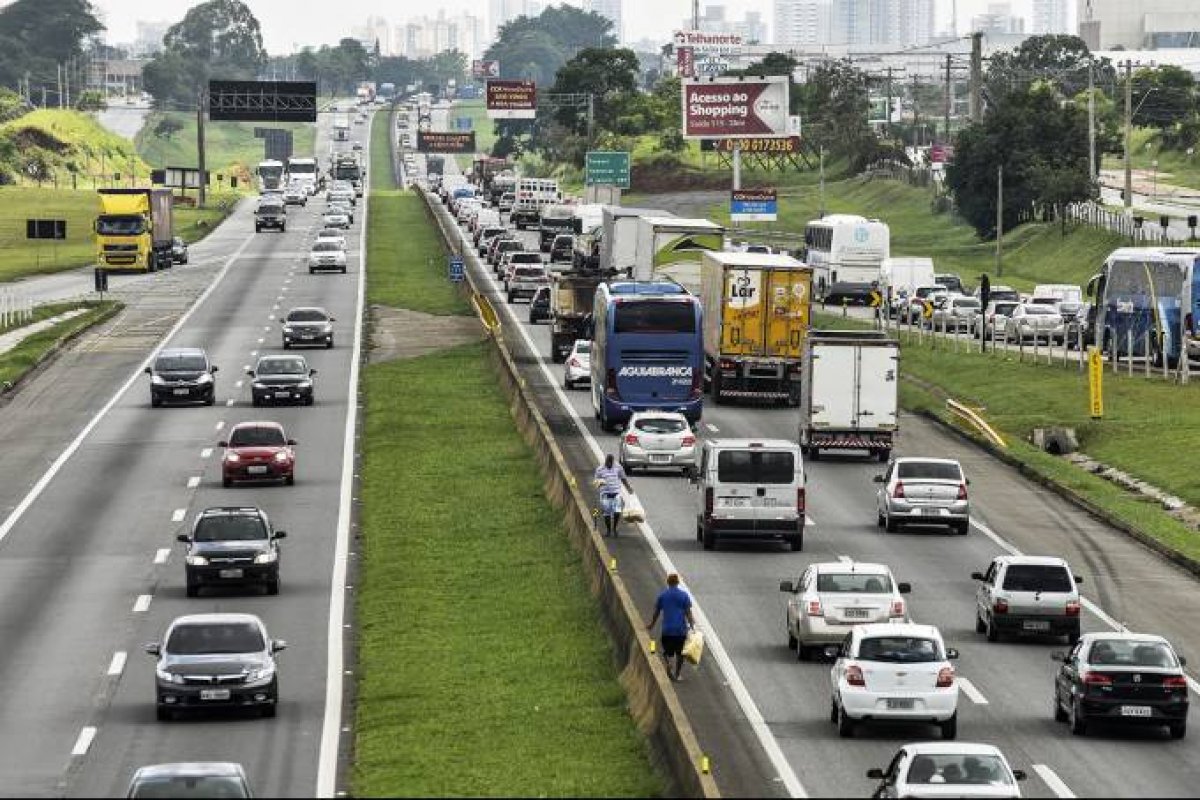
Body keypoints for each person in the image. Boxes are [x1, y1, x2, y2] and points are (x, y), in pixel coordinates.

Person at [647, 573, 695, 681]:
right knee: (680, 653)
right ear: (677, 582)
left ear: (668, 582)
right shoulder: (684, 595)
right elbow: (688, 613)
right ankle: (677, 674)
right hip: (680, 630)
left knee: (667, 651)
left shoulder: (662, 595)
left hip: (667, 630)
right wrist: (692, 626)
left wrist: (651, 624)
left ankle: (668, 663)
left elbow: (656, 612)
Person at [593, 454, 630, 537]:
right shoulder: (600, 469)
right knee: (607, 513)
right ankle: (608, 530)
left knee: (617, 511)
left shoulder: (618, 467)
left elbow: (623, 478)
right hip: (605, 494)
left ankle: (615, 528)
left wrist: (628, 488)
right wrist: (599, 483)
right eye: (607, 463)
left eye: (610, 463)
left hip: (616, 492)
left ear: (613, 462)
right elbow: (595, 481)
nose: (609, 465)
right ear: (605, 462)